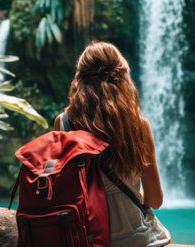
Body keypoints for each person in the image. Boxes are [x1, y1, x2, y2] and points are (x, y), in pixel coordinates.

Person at [54, 41, 173, 247]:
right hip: (135, 237)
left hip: (86, 237)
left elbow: (63, 191)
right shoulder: (138, 125)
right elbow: (155, 200)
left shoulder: (63, 123)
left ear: (80, 78)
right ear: (122, 78)